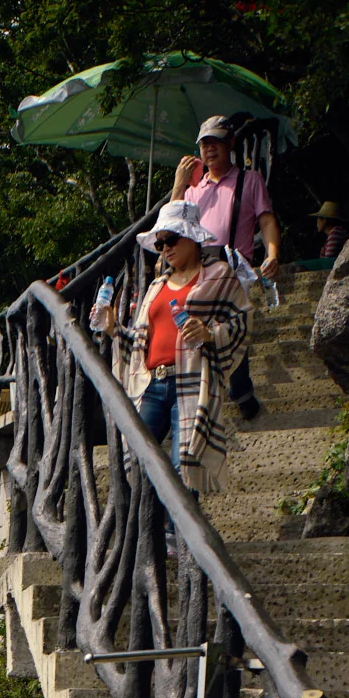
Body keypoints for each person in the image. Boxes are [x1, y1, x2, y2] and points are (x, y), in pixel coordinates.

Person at [94, 200, 249, 497]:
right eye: (160, 243)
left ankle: (178, 541)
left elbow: (241, 324)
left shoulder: (219, 276)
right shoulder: (156, 286)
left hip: (189, 380)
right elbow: (140, 342)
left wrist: (209, 333)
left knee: (184, 465)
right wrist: (114, 328)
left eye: (171, 239)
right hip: (152, 382)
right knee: (138, 462)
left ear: (193, 237)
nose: (165, 248)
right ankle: (159, 538)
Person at [171, 115, 280, 422]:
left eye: (215, 142)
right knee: (196, 330)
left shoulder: (249, 180)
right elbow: (171, 223)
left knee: (233, 328)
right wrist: (180, 183)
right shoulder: (193, 189)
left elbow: (266, 220)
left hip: (233, 265)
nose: (210, 150)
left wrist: (271, 254)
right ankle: (210, 396)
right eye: (204, 144)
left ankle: (241, 390)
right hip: (198, 268)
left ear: (230, 144)